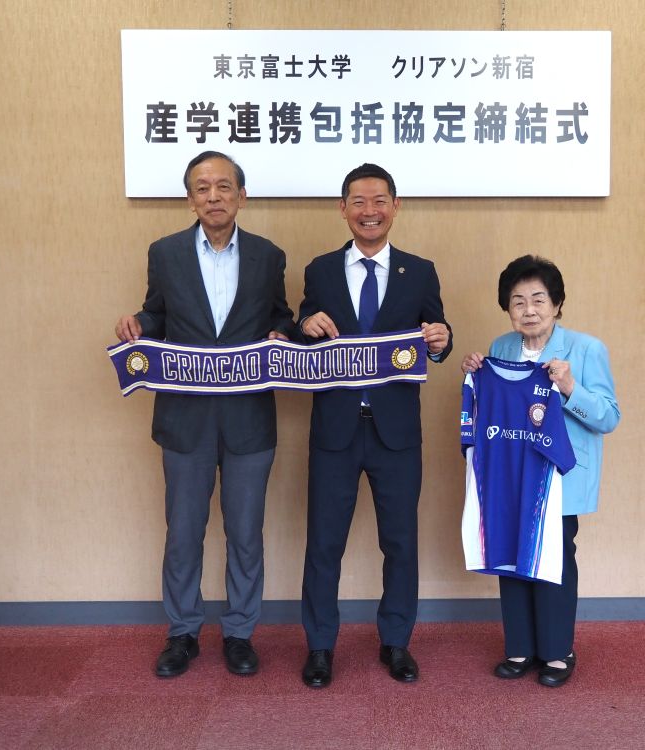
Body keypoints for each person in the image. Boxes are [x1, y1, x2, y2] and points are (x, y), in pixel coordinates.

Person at [114, 151, 295, 678]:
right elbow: (157, 313)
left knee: (246, 533)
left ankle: (239, 632)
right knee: (183, 533)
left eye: (223, 186)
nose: (213, 196)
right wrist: (138, 324)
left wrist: (282, 333)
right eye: (202, 188)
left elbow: (281, 315)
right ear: (190, 199)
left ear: (242, 195)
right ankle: (182, 632)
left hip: (249, 420)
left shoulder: (269, 255)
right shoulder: (165, 252)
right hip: (185, 419)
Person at [297, 163, 453, 688]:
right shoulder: (320, 270)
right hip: (335, 431)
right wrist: (304, 324)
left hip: (397, 433)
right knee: (324, 543)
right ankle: (320, 645)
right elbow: (302, 330)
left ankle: (396, 642)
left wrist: (441, 339)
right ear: (343, 208)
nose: (370, 211)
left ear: (396, 206)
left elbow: (438, 331)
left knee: (400, 542)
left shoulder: (420, 271)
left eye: (380, 200)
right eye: (359, 202)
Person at [461, 254, 620, 687]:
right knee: (509, 554)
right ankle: (520, 647)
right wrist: (476, 376)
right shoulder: (500, 348)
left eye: (538, 299)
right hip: (510, 474)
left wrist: (569, 387)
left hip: (557, 477)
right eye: (518, 301)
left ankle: (556, 652)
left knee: (555, 561)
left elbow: (608, 416)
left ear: (557, 304)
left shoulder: (586, 350)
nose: (528, 310)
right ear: (507, 308)